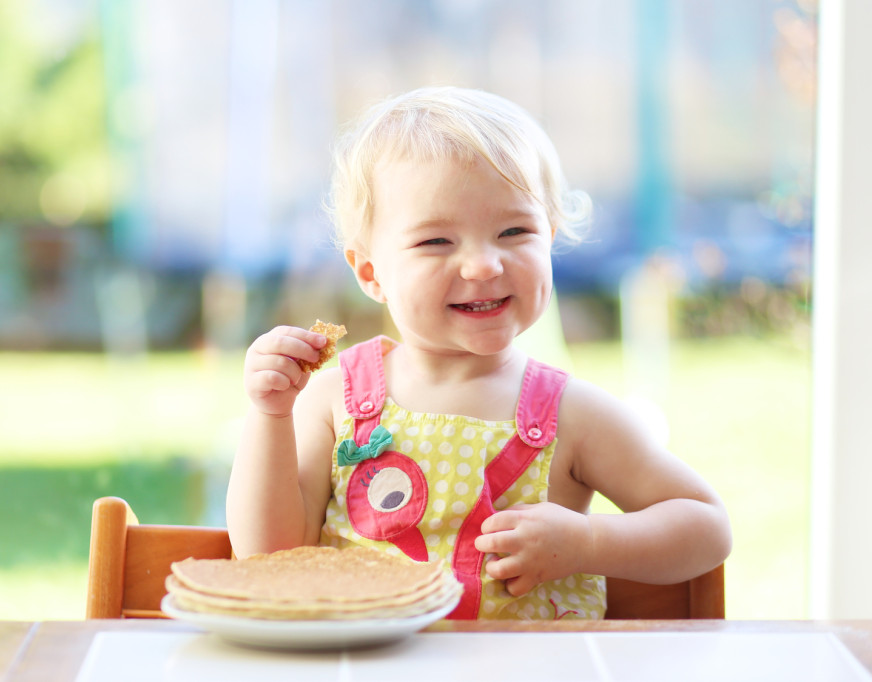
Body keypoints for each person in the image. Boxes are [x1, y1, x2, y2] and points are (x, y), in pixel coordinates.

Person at [226, 86, 732, 620]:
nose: (483, 265)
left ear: (550, 238)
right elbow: (268, 556)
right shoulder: (334, 403)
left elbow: (705, 525)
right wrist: (270, 415)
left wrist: (589, 541)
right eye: (436, 242)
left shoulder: (573, 416)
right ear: (371, 272)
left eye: (514, 231)